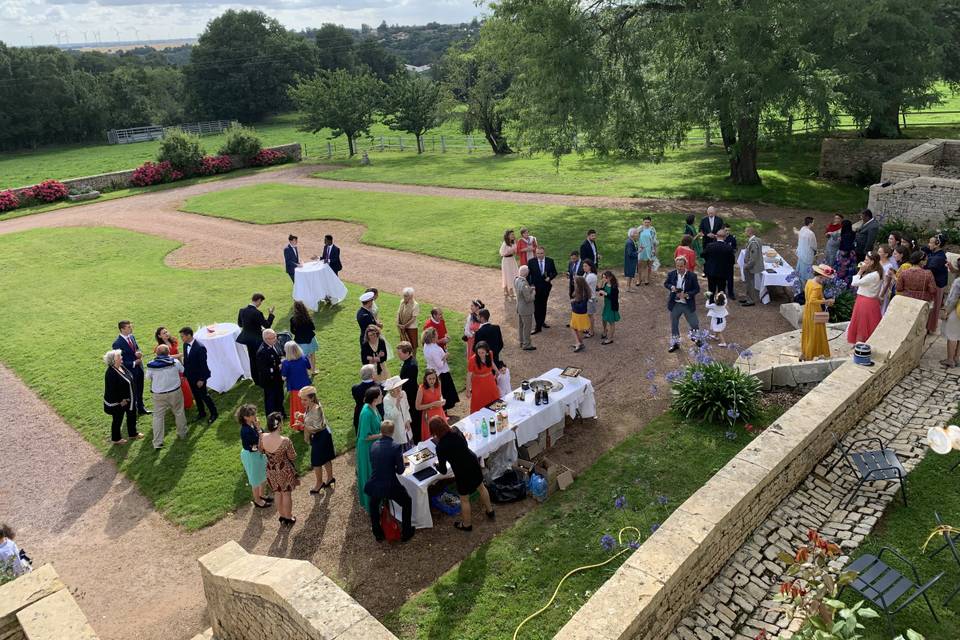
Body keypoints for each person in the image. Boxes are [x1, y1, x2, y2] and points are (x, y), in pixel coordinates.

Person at [430, 417, 495, 532]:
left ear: (435, 432)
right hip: (472, 461)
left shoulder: (440, 447)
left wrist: (436, 466)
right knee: (481, 487)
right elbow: (465, 443)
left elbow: (444, 470)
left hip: (461, 470)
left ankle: (467, 524)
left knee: (464, 499)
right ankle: (490, 511)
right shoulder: (455, 430)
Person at [364, 419, 415, 542]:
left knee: (374, 506)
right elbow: (400, 471)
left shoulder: (374, 446)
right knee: (407, 501)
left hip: (375, 483)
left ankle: (378, 533)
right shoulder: (396, 447)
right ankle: (407, 531)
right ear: (393, 432)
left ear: (381, 431)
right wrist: (403, 462)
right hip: (390, 484)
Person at [144, 344, 188, 450]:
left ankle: (157, 442)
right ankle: (182, 434)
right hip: (175, 392)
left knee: (158, 417)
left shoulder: (151, 365)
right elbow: (182, 370)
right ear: (168, 353)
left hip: (159, 395)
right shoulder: (175, 362)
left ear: (157, 353)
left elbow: (147, 378)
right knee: (179, 412)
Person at [262, 412, 298, 526]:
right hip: (284, 470)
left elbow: (261, 450)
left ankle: (282, 516)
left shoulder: (262, 437)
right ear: (279, 424)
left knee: (277, 493)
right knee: (286, 494)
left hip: (271, 470)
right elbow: (293, 456)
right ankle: (288, 517)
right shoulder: (285, 441)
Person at [300, 386, 335, 494]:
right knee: (326, 458)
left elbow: (317, 427)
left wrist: (303, 425)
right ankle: (330, 478)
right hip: (322, 435)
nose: (302, 402)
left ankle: (319, 483)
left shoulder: (316, 409)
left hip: (320, 436)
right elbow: (311, 419)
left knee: (316, 462)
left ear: (311, 398)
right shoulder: (311, 406)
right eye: (301, 399)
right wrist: (301, 416)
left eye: (304, 399)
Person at [179, 328, 218, 424]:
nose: (181, 339)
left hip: (199, 377)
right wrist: (185, 374)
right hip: (190, 376)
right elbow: (187, 361)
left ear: (189, 335)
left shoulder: (200, 347)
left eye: (182, 336)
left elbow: (203, 365)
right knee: (196, 395)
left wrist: (202, 379)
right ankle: (201, 413)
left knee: (204, 395)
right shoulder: (185, 345)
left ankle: (214, 413)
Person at [103, 348, 142, 445]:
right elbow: (111, 390)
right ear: (114, 360)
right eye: (119, 356)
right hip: (119, 402)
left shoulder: (121, 366)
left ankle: (133, 433)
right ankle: (116, 439)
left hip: (129, 398)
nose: (121, 357)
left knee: (132, 414)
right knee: (117, 419)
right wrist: (121, 400)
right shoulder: (110, 373)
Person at [235, 404, 270, 509]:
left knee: (264, 473)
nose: (255, 416)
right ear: (246, 417)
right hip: (251, 455)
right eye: (252, 414)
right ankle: (257, 500)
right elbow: (255, 442)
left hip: (259, 452)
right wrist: (259, 431)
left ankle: (262, 494)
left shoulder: (253, 424)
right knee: (255, 478)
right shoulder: (245, 430)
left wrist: (259, 429)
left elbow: (262, 435)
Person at [847, 250, 885, 344]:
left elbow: (854, 283)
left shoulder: (873, 275)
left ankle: (861, 342)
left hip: (865, 301)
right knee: (868, 322)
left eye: (866, 260)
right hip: (870, 301)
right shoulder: (878, 272)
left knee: (862, 324)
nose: (864, 261)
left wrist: (860, 271)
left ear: (872, 262)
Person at [897, 251, 940, 334]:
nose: (927, 261)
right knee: (919, 326)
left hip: (906, 300)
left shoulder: (904, 272)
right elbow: (933, 290)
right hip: (922, 302)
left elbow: (899, 288)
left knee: (906, 323)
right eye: (925, 260)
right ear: (921, 261)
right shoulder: (928, 273)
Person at [665, 256, 701, 352]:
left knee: (694, 323)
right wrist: (671, 287)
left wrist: (687, 295)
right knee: (674, 324)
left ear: (685, 265)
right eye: (677, 266)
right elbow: (666, 283)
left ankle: (696, 338)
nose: (679, 268)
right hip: (675, 303)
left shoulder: (692, 276)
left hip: (687, 303)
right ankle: (675, 343)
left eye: (681, 266)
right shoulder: (671, 274)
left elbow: (697, 289)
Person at [112, 320, 149, 415]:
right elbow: (119, 361)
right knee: (132, 393)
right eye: (129, 327)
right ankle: (133, 412)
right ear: (122, 329)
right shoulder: (117, 343)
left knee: (140, 389)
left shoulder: (132, 337)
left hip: (139, 369)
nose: (131, 328)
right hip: (130, 371)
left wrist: (138, 352)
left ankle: (141, 408)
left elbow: (136, 348)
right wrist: (133, 363)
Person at [237, 294, 275, 384]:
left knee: (252, 358)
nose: (260, 304)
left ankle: (256, 379)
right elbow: (267, 325)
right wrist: (271, 314)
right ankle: (262, 378)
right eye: (261, 301)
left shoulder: (242, 311)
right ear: (258, 300)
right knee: (260, 359)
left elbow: (240, 324)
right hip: (257, 340)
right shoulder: (257, 313)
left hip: (247, 339)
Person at [356, 386, 384, 510]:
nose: (382, 396)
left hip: (374, 446)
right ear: (375, 399)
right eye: (381, 395)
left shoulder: (373, 407)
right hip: (367, 449)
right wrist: (382, 435)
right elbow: (364, 437)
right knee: (370, 474)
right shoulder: (367, 413)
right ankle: (371, 504)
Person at [801, 265, 836, 360]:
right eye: (825, 278)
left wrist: (824, 299)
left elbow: (812, 297)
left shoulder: (809, 282)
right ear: (820, 276)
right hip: (814, 310)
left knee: (808, 331)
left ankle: (805, 352)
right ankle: (811, 354)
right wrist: (826, 301)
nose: (825, 280)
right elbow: (813, 300)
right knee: (815, 332)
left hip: (807, 309)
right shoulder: (817, 287)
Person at [154, 327, 193, 410]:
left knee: (185, 385)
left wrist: (182, 365)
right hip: (170, 370)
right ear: (159, 336)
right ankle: (179, 405)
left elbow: (177, 352)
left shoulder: (174, 341)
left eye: (166, 331)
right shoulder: (159, 348)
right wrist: (182, 355)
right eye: (164, 333)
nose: (166, 333)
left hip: (178, 367)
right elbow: (166, 357)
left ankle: (187, 403)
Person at [423, 327, 459, 411]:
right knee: (444, 392)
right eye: (436, 335)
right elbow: (440, 364)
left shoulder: (426, 345)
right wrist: (445, 356)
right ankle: (444, 410)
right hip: (440, 373)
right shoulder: (433, 350)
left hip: (432, 369)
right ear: (432, 338)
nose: (438, 336)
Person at [282, 341, 312, 431]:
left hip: (295, 388)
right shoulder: (303, 358)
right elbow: (309, 367)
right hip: (306, 386)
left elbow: (283, 377)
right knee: (309, 405)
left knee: (299, 407)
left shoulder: (286, 363)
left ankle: (301, 425)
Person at [256, 329, 286, 419]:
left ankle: (281, 413)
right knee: (271, 400)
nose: (275, 339)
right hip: (269, 380)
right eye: (272, 338)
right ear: (266, 339)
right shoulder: (262, 352)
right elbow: (264, 370)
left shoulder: (273, 344)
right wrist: (278, 367)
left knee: (280, 397)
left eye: (275, 336)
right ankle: (272, 418)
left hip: (277, 378)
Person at [395, 342, 421, 442]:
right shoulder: (410, 361)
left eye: (400, 353)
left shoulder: (410, 366)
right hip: (411, 392)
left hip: (411, 396)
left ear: (407, 353)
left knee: (413, 418)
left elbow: (407, 384)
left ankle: (417, 438)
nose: (398, 355)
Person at [466, 341, 501, 413]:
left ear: (487, 352)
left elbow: (491, 362)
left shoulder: (490, 354)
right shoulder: (472, 360)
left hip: (489, 379)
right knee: (479, 400)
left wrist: (497, 371)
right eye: (479, 352)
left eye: (483, 352)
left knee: (493, 396)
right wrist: (468, 390)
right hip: (478, 383)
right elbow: (469, 376)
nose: (480, 355)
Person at [924, 234, 949, 334]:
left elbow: (929, 268)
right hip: (934, 284)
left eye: (931, 242)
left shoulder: (939, 257)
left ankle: (930, 327)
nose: (928, 244)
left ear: (937, 245)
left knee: (934, 307)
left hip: (937, 285)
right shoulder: (935, 252)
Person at [528, 247, 557, 332]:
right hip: (535, 288)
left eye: (541, 253)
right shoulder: (531, 262)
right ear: (535, 253)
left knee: (543, 305)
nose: (539, 255)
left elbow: (555, 272)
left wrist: (550, 277)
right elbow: (528, 275)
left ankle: (542, 321)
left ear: (544, 253)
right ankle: (538, 326)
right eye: (538, 253)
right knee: (537, 306)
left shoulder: (550, 261)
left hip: (545, 287)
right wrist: (531, 285)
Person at [382, 376, 413, 450]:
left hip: (406, 427)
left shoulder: (403, 393)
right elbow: (391, 416)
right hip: (397, 429)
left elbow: (406, 408)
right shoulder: (387, 399)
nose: (399, 389)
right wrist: (397, 402)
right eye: (397, 387)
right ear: (391, 390)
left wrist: (408, 420)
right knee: (400, 451)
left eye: (400, 386)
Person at [416, 368, 447, 442]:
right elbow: (417, 407)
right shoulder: (421, 389)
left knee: (444, 434)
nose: (432, 381)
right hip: (429, 416)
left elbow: (440, 395)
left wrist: (442, 400)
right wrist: (432, 404)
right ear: (425, 379)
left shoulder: (438, 383)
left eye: (434, 378)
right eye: (429, 379)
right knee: (431, 438)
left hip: (439, 412)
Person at [703, 228, 734, 296]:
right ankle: (720, 304)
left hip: (711, 270)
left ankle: (710, 302)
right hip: (722, 272)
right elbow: (732, 261)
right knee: (721, 290)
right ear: (725, 237)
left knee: (711, 289)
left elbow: (703, 255)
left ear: (716, 236)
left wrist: (709, 260)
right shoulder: (728, 247)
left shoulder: (709, 246)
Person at [941, 257, 960, 368]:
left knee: (952, 335)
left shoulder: (958, 281)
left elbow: (953, 299)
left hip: (956, 311)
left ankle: (950, 360)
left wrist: (946, 311)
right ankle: (957, 357)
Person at [290, 300, 318, 370]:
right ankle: (313, 370)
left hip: (300, 340)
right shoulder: (308, 317)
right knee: (312, 355)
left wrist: (298, 334)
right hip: (310, 339)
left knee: (303, 357)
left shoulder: (293, 319)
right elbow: (313, 328)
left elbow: (292, 330)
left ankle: (306, 372)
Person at [351, 364, 381, 433]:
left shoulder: (355, 388)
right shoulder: (378, 388)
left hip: (359, 416)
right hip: (374, 417)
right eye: (375, 372)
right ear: (372, 375)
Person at [514, 265, 536, 351]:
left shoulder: (516, 280)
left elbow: (521, 292)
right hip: (526, 309)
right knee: (527, 327)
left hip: (520, 307)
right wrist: (533, 292)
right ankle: (527, 344)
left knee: (521, 325)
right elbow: (528, 299)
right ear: (526, 273)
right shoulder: (524, 284)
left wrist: (530, 289)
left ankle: (522, 341)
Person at [741, 226, 763, 306]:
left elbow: (753, 258)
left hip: (750, 267)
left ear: (750, 232)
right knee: (749, 282)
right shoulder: (758, 240)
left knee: (749, 283)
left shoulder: (753, 243)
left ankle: (750, 300)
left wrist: (747, 266)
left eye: (746, 231)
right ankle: (748, 298)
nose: (744, 233)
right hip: (751, 266)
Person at [569, 275, 591, 352]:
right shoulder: (579, 290)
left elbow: (581, 306)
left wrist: (573, 303)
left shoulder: (584, 293)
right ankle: (579, 343)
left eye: (575, 282)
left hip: (580, 314)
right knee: (574, 327)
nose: (573, 283)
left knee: (578, 329)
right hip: (576, 313)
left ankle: (579, 343)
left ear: (579, 283)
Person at [598, 270, 620, 345]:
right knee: (604, 319)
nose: (604, 279)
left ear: (610, 277)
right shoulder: (606, 284)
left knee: (611, 322)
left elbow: (614, 298)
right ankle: (605, 331)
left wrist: (605, 294)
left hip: (611, 306)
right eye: (603, 277)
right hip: (606, 305)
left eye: (605, 278)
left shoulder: (614, 287)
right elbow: (601, 290)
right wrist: (601, 291)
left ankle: (610, 338)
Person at [833, 219, 858, 284]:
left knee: (842, 271)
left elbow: (846, 246)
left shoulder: (844, 235)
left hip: (844, 255)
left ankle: (841, 284)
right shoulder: (853, 233)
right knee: (850, 271)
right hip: (852, 254)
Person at [794, 217, 818, 286]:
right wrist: (816, 251)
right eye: (813, 222)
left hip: (801, 252)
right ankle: (805, 285)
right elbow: (814, 245)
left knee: (801, 268)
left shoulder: (802, 229)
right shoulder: (811, 233)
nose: (814, 223)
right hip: (807, 253)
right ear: (810, 223)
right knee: (806, 271)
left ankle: (800, 282)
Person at [876, 244, 898, 314]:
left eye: (880, 252)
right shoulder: (877, 262)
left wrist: (881, 295)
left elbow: (887, 282)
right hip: (875, 286)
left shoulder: (889, 266)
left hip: (882, 289)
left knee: (880, 309)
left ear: (885, 254)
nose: (877, 253)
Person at [637, 217, 659, 286]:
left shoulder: (652, 229)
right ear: (643, 222)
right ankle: (639, 279)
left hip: (650, 250)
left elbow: (654, 241)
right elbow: (636, 238)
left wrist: (655, 250)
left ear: (650, 222)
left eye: (648, 222)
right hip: (641, 249)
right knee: (640, 265)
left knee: (649, 265)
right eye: (645, 222)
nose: (646, 223)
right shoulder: (640, 229)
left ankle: (647, 279)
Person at [500, 229, 519, 299]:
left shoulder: (514, 242)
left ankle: (509, 289)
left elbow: (516, 251)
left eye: (513, 234)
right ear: (507, 236)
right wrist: (511, 252)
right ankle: (508, 290)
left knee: (514, 273)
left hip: (512, 260)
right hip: (506, 261)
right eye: (512, 235)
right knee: (507, 274)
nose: (513, 236)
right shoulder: (505, 243)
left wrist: (514, 251)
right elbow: (502, 253)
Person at [582, 259, 599, 338]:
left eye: (586, 266)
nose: (584, 268)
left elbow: (582, 285)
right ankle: (588, 328)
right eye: (583, 266)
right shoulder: (586, 274)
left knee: (590, 315)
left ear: (590, 267)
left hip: (590, 298)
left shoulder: (591, 276)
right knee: (587, 314)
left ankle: (591, 331)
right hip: (587, 297)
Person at [723, 225, 738, 298]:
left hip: (729, 261)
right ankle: (722, 292)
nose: (727, 232)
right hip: (721, 261)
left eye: (728, 230)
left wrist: (732, 250)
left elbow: (735, 248)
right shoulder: (719, 238)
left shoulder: (732, 238)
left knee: (730, 278)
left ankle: (731, 293)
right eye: (726, 230)